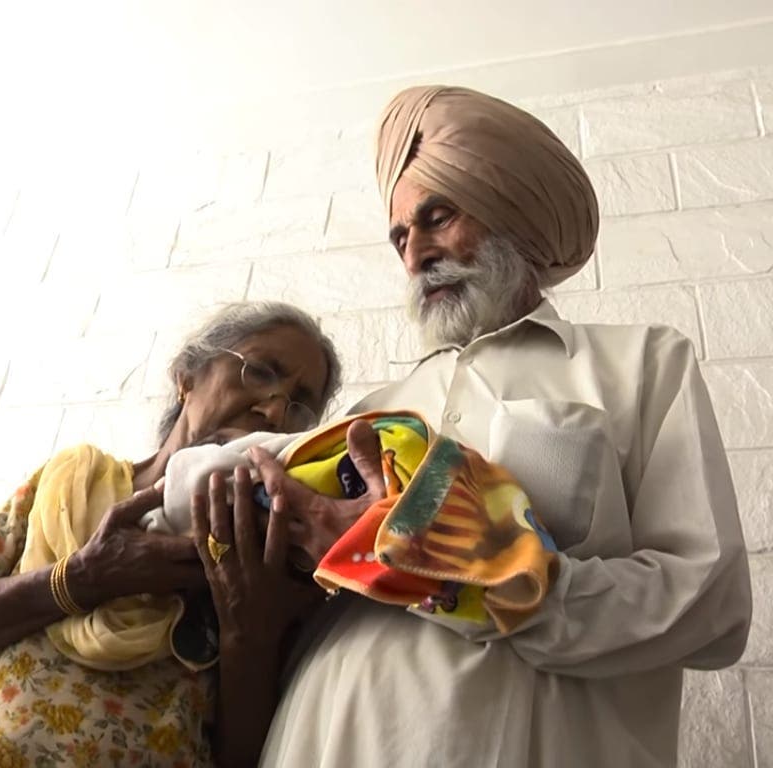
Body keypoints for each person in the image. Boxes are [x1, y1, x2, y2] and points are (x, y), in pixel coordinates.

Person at [249, 86, 753, 768]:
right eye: (400, 235)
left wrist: (480, 579)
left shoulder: (640, 361)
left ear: (510, 214)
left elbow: (709, 603)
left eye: (437, 217)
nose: (414, 254)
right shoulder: (376, 408)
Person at [0, 300, 343, 768]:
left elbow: (248, 758)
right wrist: (84, 577)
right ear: (187, 377)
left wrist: (247, 633)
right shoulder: (71, 482)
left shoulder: (272, 554)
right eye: (260, 372)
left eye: (300, 406)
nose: (274, 412)